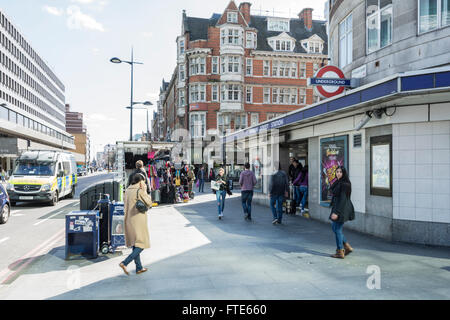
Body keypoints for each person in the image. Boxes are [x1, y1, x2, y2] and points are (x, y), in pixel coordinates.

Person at [119, 173, 152, 275]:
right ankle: (125, 262)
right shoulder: (140, 190)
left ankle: (139, 267)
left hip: (129, 219)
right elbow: (149, 202)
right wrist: (145, 190)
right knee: (142, 243)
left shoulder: (128, 190)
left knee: (135, 243)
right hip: (138, 219)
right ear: (140, 181)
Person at [329, 166, 355, 259]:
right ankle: (347, 247)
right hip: (338, 207)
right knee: (335, 228)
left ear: (344, 173)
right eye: (337, 172)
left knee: (337, 229)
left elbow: (343, 199)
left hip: (342, 209)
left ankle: (340, 251)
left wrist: (337, 212)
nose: (338, 173)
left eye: (340, 172)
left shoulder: (345, 184)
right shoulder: (338, 182)